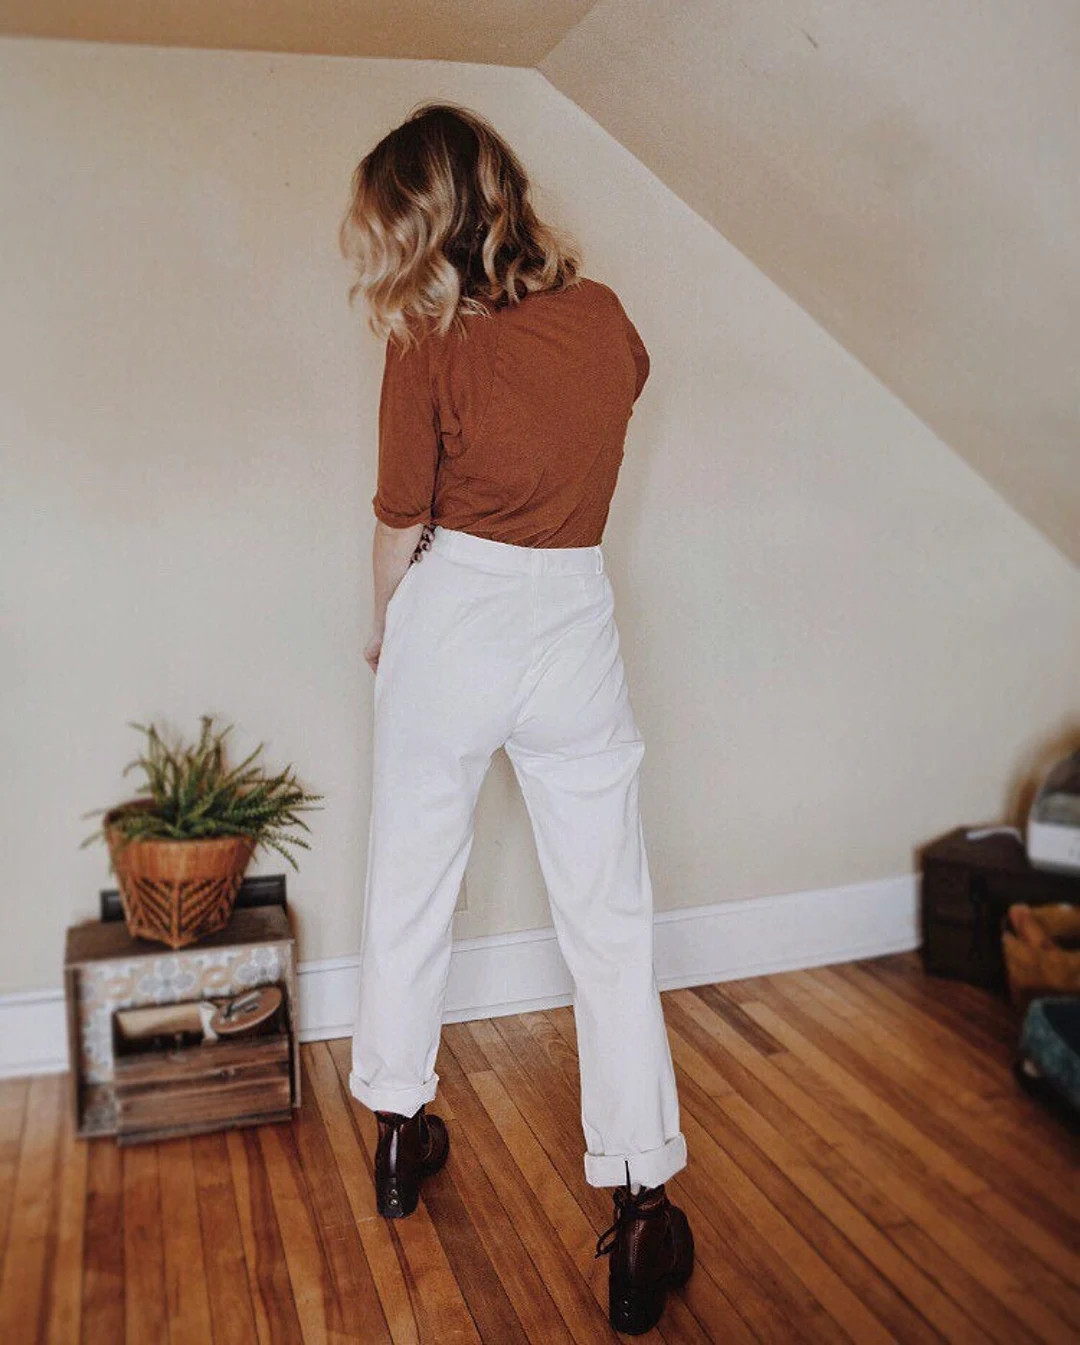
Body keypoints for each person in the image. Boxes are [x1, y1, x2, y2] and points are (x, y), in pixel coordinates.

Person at [339, 101, 694, 1335]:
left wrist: (388, 628)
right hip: (574, 613)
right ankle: (641, 1203)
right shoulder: (606, 321)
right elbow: (614, 403)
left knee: (410, 880)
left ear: (421, 220)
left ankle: (399, 1127)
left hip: (456, 611)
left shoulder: (425, 338)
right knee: (610, 915)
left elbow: (402, 513)